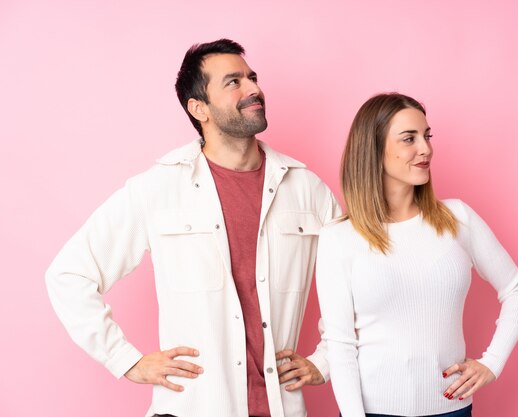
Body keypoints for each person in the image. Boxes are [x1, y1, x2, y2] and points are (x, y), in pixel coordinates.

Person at [45, 39, 340, 417]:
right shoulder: (158, 188)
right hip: (192, 407)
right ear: (198, 108)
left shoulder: (307, 189)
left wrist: (326, 360)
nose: (253, 89)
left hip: (282, 407)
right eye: (233, 82)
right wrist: (126, 360)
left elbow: (359, 283)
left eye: (252, 78)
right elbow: (69, 274)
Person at [316, 93, 518, 417]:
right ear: (374, 150)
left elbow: (516, 290)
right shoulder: (339, 238)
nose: (426, 148)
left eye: (427, 136)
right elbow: (341, 344)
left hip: (452, 409)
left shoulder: (458, 218)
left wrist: (492, 363)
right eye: (409, 139)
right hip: (375, 412)